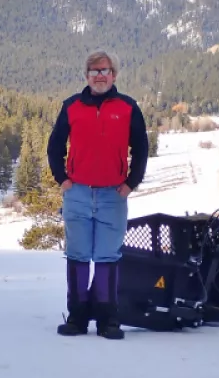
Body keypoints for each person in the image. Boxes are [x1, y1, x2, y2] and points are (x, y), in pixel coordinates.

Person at [47, 50, 149, 340]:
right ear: (87, 76)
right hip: (78, 194)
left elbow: (141, 148)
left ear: (114, 75)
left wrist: (131, 183)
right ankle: (77, 318)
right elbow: (55, 147)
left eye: (105, 70)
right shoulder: (71, 106)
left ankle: (108, 320)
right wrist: (63, 180)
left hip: (112, 196)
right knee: (78, 256)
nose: (100, 76)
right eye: (94, 71)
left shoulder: (128, 107)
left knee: (107, 258)